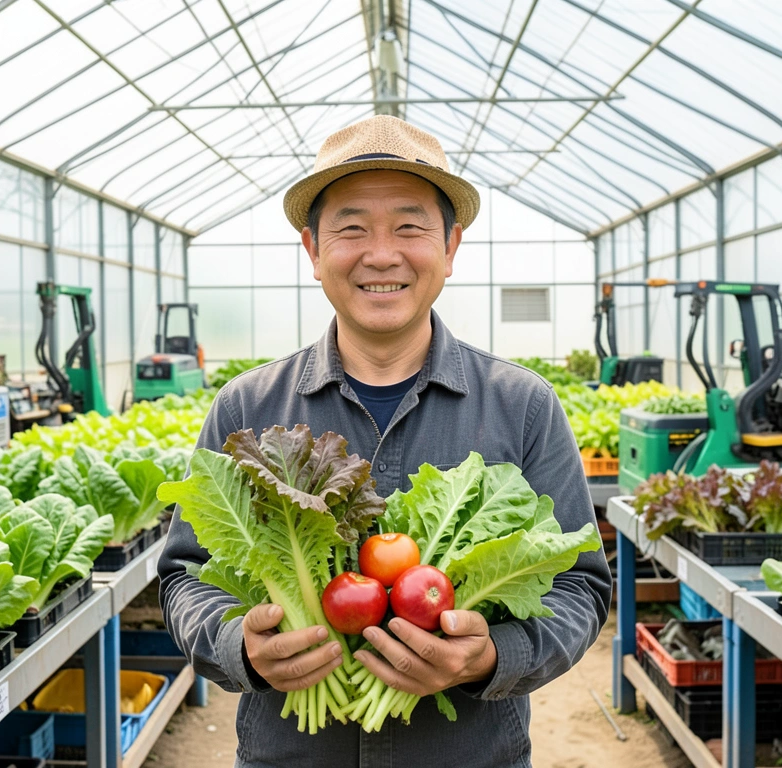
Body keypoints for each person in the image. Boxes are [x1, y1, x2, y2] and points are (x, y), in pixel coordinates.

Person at [159, 114, 612, 767]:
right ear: (313, 251)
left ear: (450, 248)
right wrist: (240, 648)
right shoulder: (245, 406)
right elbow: (186, 578)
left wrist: (492, 655)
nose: (380, 254)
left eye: (408, 227)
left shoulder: (524, 405)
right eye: (351, 228)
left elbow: (580, 587)